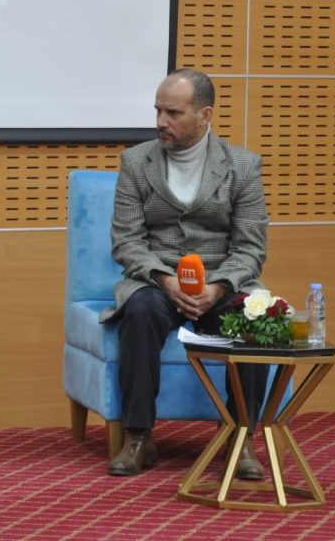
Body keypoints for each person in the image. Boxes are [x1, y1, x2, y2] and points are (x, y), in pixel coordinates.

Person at [103, 68, 270, 478]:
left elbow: (250, 247)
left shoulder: (242, 166)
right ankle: (139, 437)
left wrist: (218, 287)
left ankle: (240, 438)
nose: (161, 121)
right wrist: (165, 280)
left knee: (255, 317)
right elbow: (127, 241)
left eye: (173, 113)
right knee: (139, 312)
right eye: (158, 111)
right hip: (157, 279)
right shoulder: (136, 162)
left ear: (204, 115)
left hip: (219, 280)